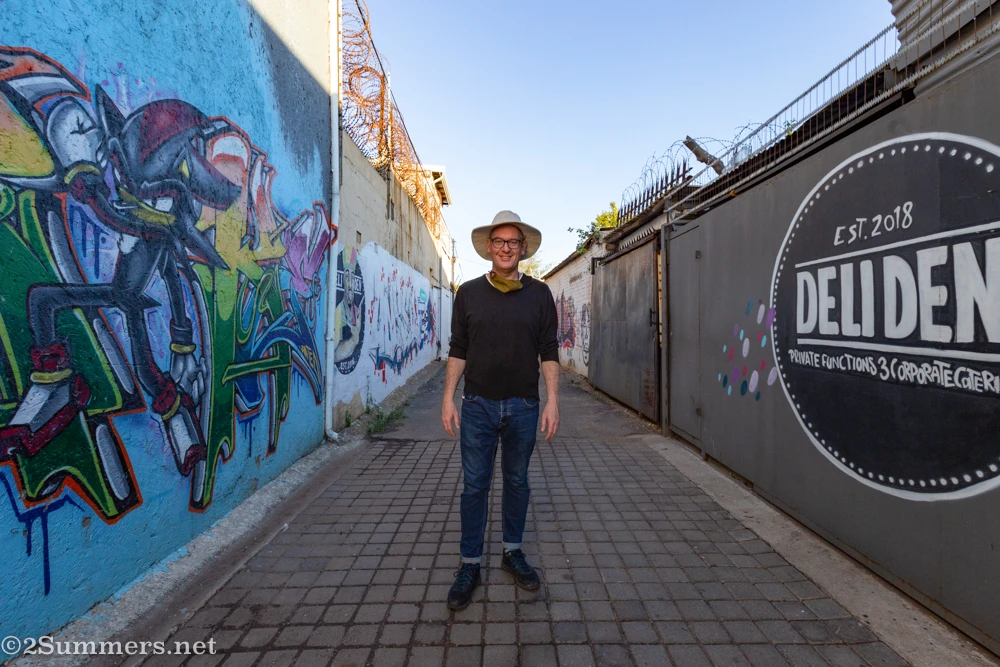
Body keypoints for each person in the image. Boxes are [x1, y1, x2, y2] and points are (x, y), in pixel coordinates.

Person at [441, 210, 560, 611]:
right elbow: (458, 347)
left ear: (523, 249)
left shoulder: (540, 294)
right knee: (475, 486)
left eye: (512, 242)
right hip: (477, 406)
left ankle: (512, 552)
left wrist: (553, 400)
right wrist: (447, 397)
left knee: (517, 481)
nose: (505, 248)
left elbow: (548, 350)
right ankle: (470, 564)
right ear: (489, 248)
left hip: (524, 406)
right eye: (499, 241)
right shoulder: (468, 294)